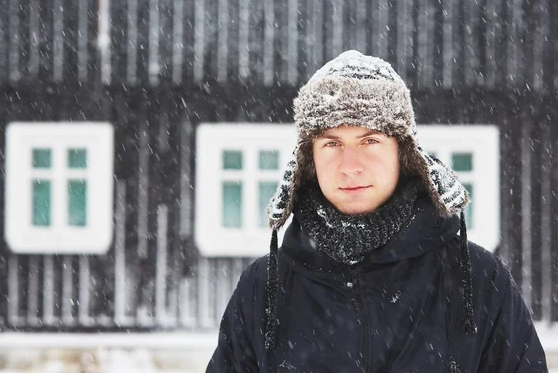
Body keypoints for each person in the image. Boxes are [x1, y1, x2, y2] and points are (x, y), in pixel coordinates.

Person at [206, 51, 548, 372]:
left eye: (370, 141)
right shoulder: (264, 287)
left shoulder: (476, 279)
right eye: (331, 143)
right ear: (309, 159)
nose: (350, 166)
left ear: (403, 153)